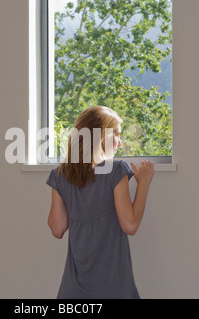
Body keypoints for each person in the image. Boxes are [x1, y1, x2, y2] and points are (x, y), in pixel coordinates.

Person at [45, 105, 154, 299]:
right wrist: (143, 183)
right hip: (113, 289)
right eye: (117, 135)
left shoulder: (59, 174)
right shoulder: (115, 170)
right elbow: (130, 225)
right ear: (102, 137)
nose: (120, 143)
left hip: (73, 292)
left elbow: (57, 228)